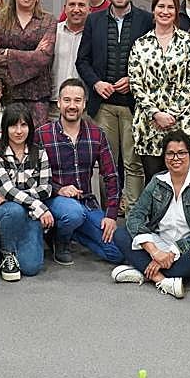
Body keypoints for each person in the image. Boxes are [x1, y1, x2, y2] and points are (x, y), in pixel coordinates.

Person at [77, 0, 153, 210]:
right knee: (105, 163)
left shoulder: (145, 19)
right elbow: (82, 61)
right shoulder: (93, 20)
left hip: (134, 105)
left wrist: (134, 79)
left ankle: (132, 214)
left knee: (133, 163)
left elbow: (152, 61)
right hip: (104, 106)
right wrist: (96, 83)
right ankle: (107, 211)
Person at [110, 130, 190, 298]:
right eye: (170, 153)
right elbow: (135, 216)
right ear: (164, 156)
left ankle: (144, 271)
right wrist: (154, 252)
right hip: (160, 244)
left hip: (188, 248)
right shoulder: (158, 181)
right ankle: (162, 279)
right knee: (120, 234)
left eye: (181, 153)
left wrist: (171, 254)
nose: (176, 158)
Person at [36, 79, 123, 266]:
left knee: (116, 252)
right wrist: (59, 189)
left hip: (86, 203)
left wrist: (111, 215)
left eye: (77, 101)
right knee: (73, 213)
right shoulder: (42, 134)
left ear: (84, 104)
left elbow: (111, 176)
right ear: (58, 103)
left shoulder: (96, 134)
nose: (72, 106)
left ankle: (71, 231)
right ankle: (60, 241)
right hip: (54, 200)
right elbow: (32, 177)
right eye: (67, 100)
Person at [129, 0, 190, 180]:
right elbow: (136, 84)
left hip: (179, 123)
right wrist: (156, 114)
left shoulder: (188, 42)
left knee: (180, 181)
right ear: (154, 10)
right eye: (161, 6)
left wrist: (171, 114)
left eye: (170, 7)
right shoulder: (140, 44)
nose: (165, 11)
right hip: (149, 125)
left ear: (176, 11)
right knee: (154, 182)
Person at [0, 103, 53, 280]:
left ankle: (14, 248)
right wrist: (37, 205)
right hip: (0, 212)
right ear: (5, 128)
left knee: (31, 267)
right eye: (13, 125)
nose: (18, 131)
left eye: (23, 125)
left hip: (30, 213)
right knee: (14, 210)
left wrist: (12, 197)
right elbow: (6, 188)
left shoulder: (40, 153)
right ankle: (7, 254)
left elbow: (46, 189)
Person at [0, 0, 57, 128]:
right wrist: (32, 55)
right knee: (7, 141)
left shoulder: (48, 20)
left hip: (38, 97)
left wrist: (8, 53)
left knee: (36, 143)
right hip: (7, 94)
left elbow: (44, 58)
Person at [51, 0, 90, 115]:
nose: (76, 9)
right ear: (65, 7)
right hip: (54, 105)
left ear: (90, 9)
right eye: (72, 4)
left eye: (81, 5)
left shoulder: (96, 35)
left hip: (85, 108)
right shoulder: (52, 32)